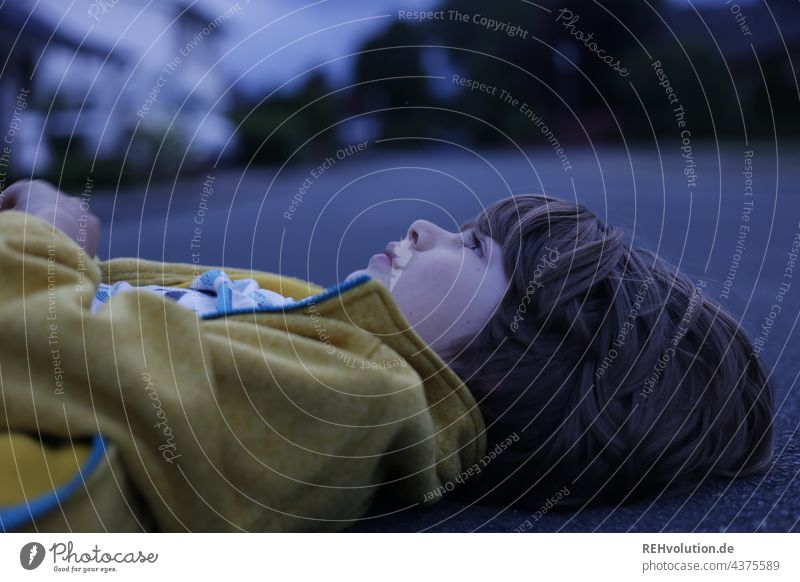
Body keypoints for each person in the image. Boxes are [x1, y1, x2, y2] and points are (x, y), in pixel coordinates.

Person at [0, 179, 774, 530]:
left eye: (474, 246)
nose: (424, 229)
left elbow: (79, 363)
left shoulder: (360, 393)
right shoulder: (347, 339)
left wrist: (43, 239)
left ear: (525, 348)